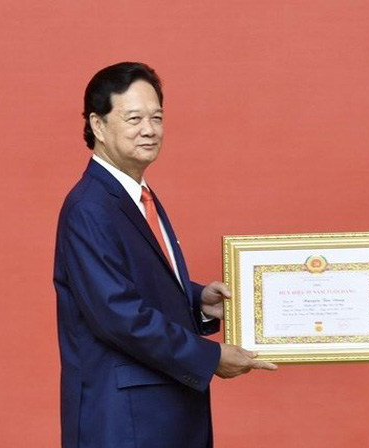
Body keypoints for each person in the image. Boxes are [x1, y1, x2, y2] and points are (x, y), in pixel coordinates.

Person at [54, 62, 276, 448]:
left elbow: (141, 283)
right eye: (134, 118)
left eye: (156, 117)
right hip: (126, 422)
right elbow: (119, 315)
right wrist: (210, 358)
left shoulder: (137, 196)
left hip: (162, 413)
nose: (149, 129)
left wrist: (199, 301)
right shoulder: (89, 207)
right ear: (98, 124)